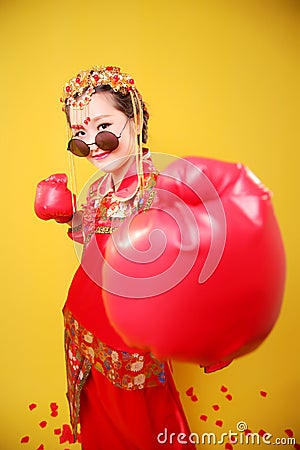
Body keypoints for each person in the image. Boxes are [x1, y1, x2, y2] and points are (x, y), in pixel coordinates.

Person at [34, 65, 197, 450]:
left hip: (128, 329)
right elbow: (92, 243)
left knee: (139, 419)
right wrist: (70, 216)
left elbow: (183, 260)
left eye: (103, 126)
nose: (91, 144)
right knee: (101, 414)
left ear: (135, 119)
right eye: (78, 135)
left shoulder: (161, 187)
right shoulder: (98, 188)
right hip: (83, 317)